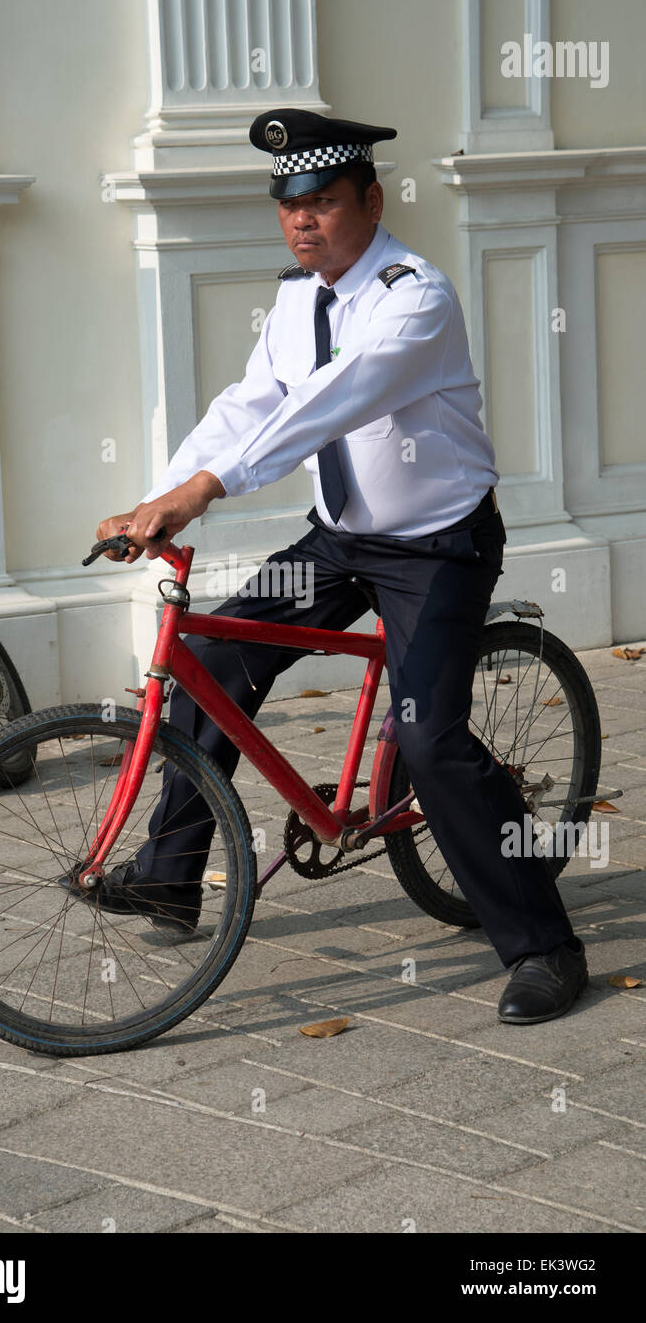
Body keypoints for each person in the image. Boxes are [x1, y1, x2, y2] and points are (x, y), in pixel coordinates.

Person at [89, 109, 588, 1026]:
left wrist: (201, 494)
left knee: (430, 740)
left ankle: (546, 946)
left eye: (322, 202)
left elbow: (327, 403)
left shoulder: (416, 297)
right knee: (214, 666)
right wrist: (156, 501)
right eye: (290, 206)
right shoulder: (295, 299)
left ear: (372, 199)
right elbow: (252, 404)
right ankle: (169, 877)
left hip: (437, 547)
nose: (303, 220)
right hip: (340, 541)